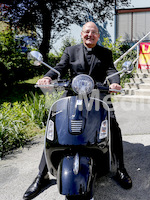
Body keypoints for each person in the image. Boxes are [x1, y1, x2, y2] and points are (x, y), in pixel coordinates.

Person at [23, 22, 132, 200]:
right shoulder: (70, 50)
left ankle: (120, 168)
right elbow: (59, 67)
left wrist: (114, 82)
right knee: (55, 128)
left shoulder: (105, 53)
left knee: (113, 125)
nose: (90, 35)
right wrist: (47, 77)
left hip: (99, 96)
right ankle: (41, 175)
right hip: (72, 95)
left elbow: (111, 70)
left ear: (98, 35)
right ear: (82, 34)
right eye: (87, 32)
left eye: (94, 32)